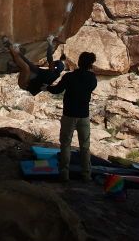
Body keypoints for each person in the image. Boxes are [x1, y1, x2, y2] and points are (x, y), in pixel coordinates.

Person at [47, 51, 98, 182]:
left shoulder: (69, 76)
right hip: (84, 116)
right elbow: (91, 88)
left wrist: (46, 87)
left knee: (65, 144)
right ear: (91, 64)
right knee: (85, 147)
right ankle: (86, 175)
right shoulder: (92, 78)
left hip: (69, 114)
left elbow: (57, 90)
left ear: (79, 62)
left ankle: (64, 173)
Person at [2, 35, 66, 96]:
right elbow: (49, 57)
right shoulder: (55, 71)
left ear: (54, 68)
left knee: (26, 68)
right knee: (28, 68)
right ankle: (13, 66)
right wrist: (50, 42)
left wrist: (19, 52)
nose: (52, 62)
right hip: (31, 79)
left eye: (53, 63)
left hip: (24, 84)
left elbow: (31, 66)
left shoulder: (48, 75)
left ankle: (8, 44)